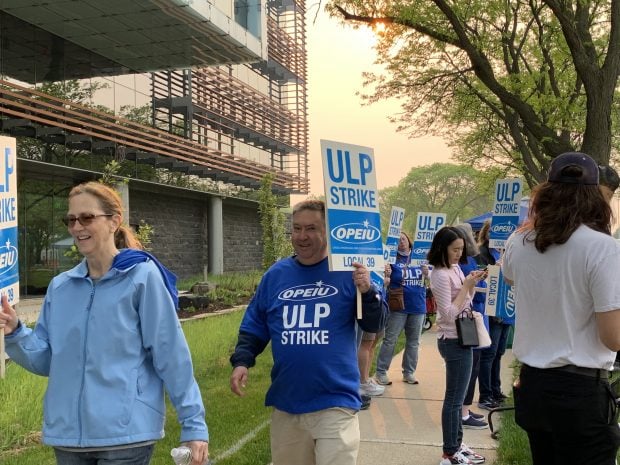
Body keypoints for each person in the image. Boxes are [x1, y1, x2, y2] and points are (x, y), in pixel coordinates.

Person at [0, 181, 209, 465]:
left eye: (87, 217)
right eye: (71, 219)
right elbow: (49, 360)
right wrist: (16, 333)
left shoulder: (142, 277)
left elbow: (171, 355)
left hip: (126, 435)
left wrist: (193, 424)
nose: (76, 227)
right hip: (68, 437)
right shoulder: (60, 287)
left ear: (114, 221)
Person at [229, 199, 386, 465]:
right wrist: (242, 361)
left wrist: (367, 292)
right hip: (288, 402)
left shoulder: (350, 272)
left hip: (336, 402)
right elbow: (255, 323)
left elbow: (375, 324)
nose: (302, 236)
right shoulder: (276, 275)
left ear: (328, 231)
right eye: (296, 228)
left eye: (311, 228)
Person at [503, 152, 620, 464]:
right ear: (597, 196)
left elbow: (512, 279)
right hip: (580, 391)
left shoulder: (519, 243)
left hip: (533, 385)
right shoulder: (603, 248)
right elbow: (614, 338)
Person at [428, 226, 487, 465]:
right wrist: (465, 287)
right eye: (455, 250)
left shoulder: (454, 268)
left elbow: (466, 302)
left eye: (461, 250)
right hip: (453, 339)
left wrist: (471, 283)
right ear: (442, 248)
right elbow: (450, 312)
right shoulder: (440, 274)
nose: (459, 254)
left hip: (463, 336)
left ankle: (456, 445)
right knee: (454, 399)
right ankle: (450, 451)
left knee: (459, 397)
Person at [375, 232, 428, 386]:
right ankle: (381, 372)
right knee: (390, 339)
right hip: (398, 306)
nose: (401, 243)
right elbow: (384, 280)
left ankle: (409, 372)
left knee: (414, 341)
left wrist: (428, 273)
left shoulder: (421, 258)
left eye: (403, 239)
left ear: (409, 241)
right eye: (398, 241)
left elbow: (431, 279)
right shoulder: (391, 259)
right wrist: (387, 274)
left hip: (418, 306)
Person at [453, 224, 488, 430]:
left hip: (474, 316)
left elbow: (470, 291)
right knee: (468, 367)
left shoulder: (469, 260)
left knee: (473, 365)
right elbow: (461, 294)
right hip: (465, 320)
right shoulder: (458, 265)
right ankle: (463, 412)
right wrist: (474, 283)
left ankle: (465, 407)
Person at [476, 219, 510, 410]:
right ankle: (485, 395)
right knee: (489, 354)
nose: (495, 235)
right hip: (492, 309)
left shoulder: (509, 253)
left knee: (499, 353)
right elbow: (478, 278)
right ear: (486, 233)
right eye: (491, 231)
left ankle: (496, 391)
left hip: (507, 309)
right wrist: (493, 268)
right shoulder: (482, 253)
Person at [357, 264, 391, 397]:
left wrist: (386, 277)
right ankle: (362, 381)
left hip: (378, 303)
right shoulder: (364, 256)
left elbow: (380, 283)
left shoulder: (380, 258)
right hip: (366, 306)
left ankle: (366, 378)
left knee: (371, 344)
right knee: (365, 344)